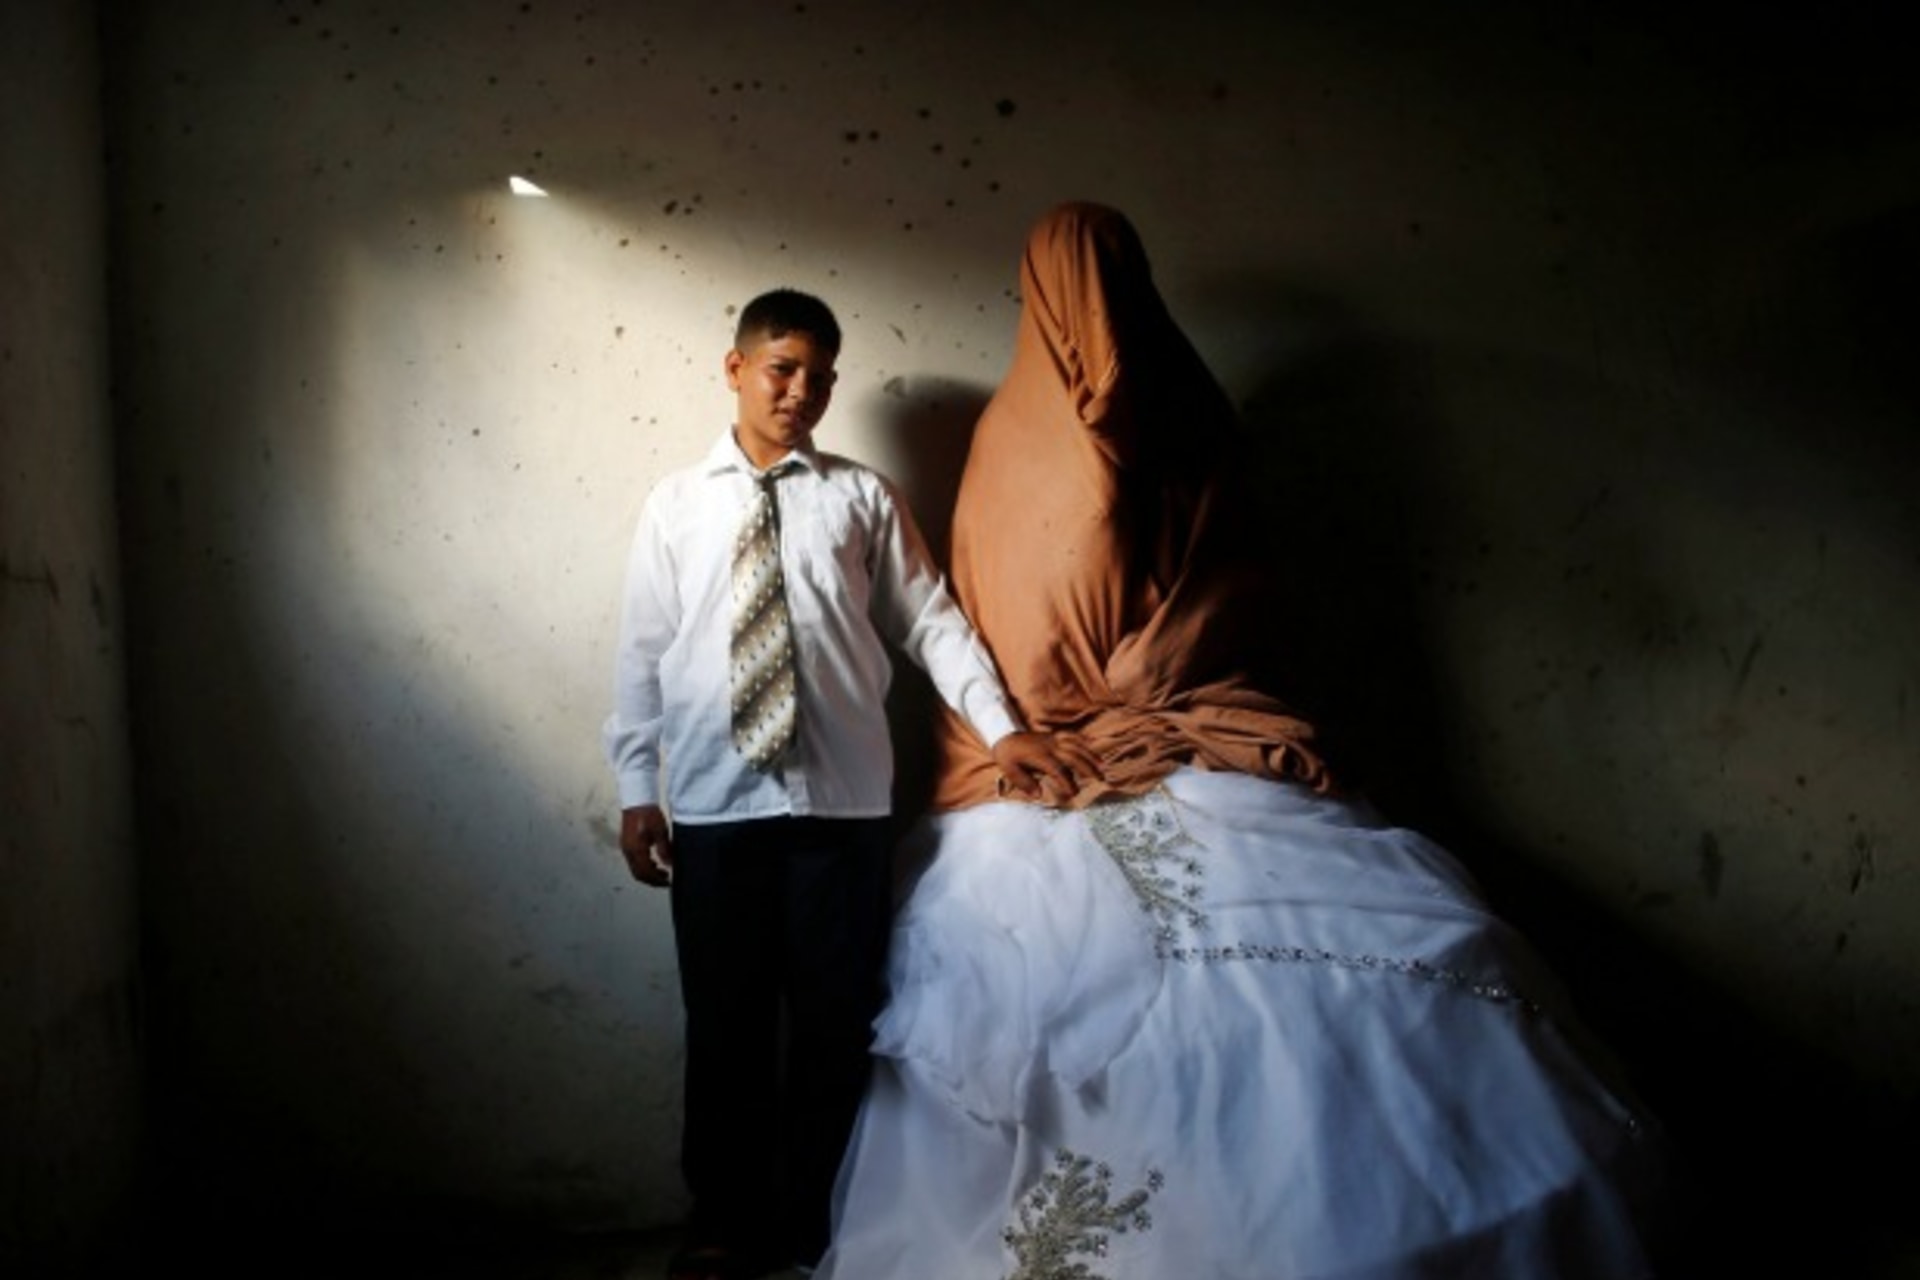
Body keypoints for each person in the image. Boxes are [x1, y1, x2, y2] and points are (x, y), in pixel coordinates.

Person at [814, 204, 1671, 1278]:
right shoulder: (1012, 450)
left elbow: (1237, 604)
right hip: (1051, 770)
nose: (1103, 321)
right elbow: (998, 654)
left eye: (1116, 287)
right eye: (1082, 292)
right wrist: (1079, 713)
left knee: (1403, 955)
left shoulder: (1197, 428)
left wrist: (1148, 688)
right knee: (1072, 997)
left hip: (1206, 736)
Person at [602, 287, 1095, 1280]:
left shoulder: (861, 496)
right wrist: (635, 785)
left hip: (843, 809)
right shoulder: (676, 504)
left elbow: (932, 624)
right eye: (782, 369)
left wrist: (1003, 732)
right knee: (729, 1026)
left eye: (821, 377)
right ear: (735, 368)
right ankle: (722, 1223)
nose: (802, 392)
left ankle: (818, 1220)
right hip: (714, 808)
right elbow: (640, 653)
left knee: (834, 1025)